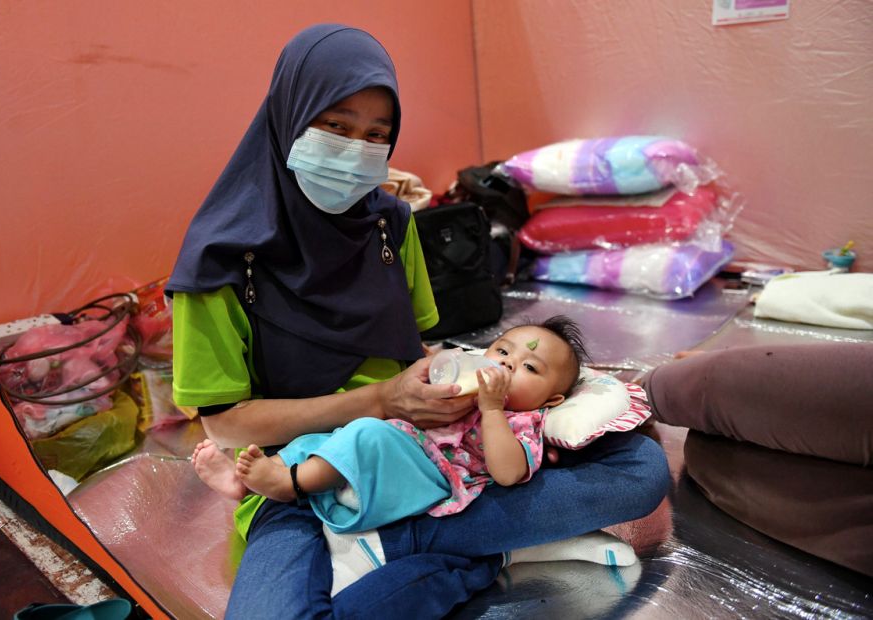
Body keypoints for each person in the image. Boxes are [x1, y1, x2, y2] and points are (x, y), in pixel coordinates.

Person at [168, 23, 670, 619]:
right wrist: (382, 401)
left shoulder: (388, 226)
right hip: (300, 476)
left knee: (640, 470)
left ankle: (418, 537)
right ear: (288, 116)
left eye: (376, 135)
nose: (356, 151)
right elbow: (224, 428)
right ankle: (470, 548)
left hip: (434, 466)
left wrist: (467, 402)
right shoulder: (219, 263)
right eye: (335, 127)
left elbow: (418, 352)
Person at [196, 318, 600, 533]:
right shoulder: (469, 386)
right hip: (402, 446)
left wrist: (493, 411)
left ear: (552, 400)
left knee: (366, 436)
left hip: (434, 476)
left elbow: (508, 473)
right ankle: (247, 486)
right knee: (321, 438)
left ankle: (290, 485)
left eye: (529, 367)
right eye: (502, 350)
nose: (509, 364)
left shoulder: (523, 420)